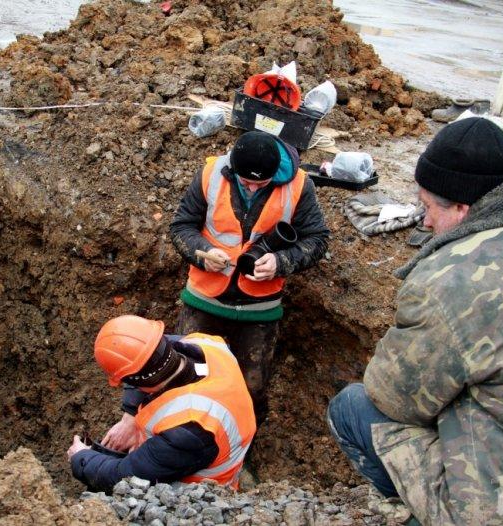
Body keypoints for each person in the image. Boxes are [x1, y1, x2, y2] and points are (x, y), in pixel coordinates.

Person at [327, 117, 503, 524]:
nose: (424, 221)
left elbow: (395, 400)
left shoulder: (449, 278)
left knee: (354, 407)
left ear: (462, 207)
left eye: (427, 207)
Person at [169, 131, 329, 422]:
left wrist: (281, 262)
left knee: (249, 391)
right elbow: (181, 227)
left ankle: (237, 454)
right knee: (186, 377)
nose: (253, 188)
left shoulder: (299, 186)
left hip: (259, 308)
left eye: (262, 183)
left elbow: (317, 240)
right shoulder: (211, 174)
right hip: (205, 297)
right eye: (246, 182)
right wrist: (201, 252)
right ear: (234, 168)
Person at [67, 315, 256, 492]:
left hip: (193, 498)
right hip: (193, 452)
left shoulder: (189, 430)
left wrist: (81, 458)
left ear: (136, 381)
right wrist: (130, 416)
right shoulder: (207, 345)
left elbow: (122, 477)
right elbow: (147, 350)